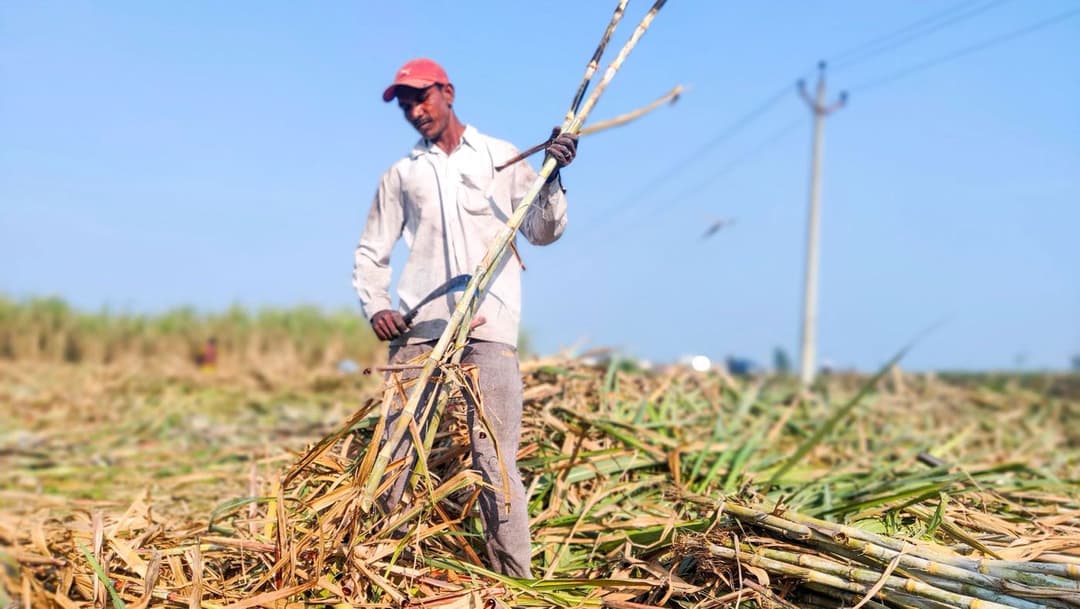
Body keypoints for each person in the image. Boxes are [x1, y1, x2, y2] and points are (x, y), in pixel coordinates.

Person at [352, 58, 577, 578]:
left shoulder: (500, 157)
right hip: (421, 324)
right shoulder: (403, 175)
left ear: (448, 92)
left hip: (490, 327)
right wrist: (378, 304)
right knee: (396, 449)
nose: (415, 110)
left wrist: (554, 173)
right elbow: (371, 251)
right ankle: (372, 566)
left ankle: (513, 580)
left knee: (494, 457)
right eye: (406, 103)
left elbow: (543, 232)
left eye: (421, 96)